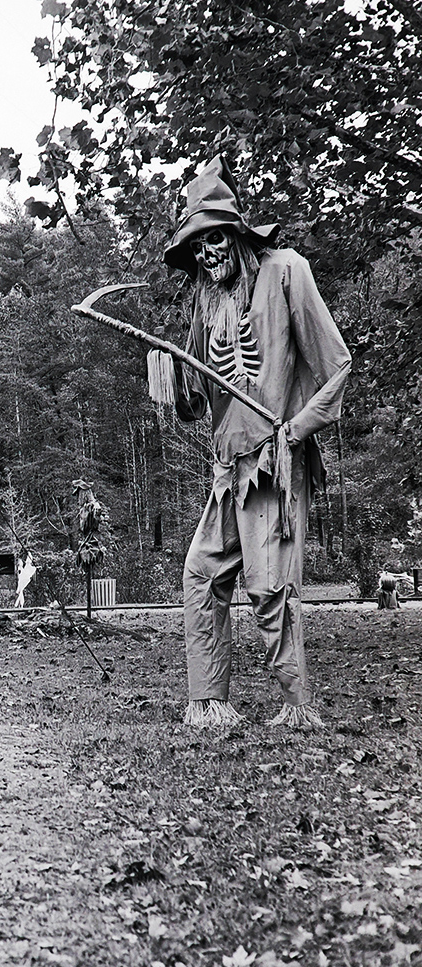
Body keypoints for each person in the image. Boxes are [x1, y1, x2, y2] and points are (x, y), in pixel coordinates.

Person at [162, 155, 351, 728]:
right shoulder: (206, 298)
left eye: (213, 238)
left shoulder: (286, 270)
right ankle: (209, 702)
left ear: (236, 234)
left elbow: (337, 366)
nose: (205, 253)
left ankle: (297, 707)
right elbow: (200, 402)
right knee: (201, 573)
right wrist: (172, 380)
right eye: (196, 244)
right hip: (228, 471)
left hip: (274, 463)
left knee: (269, 588)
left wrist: (293, 430)